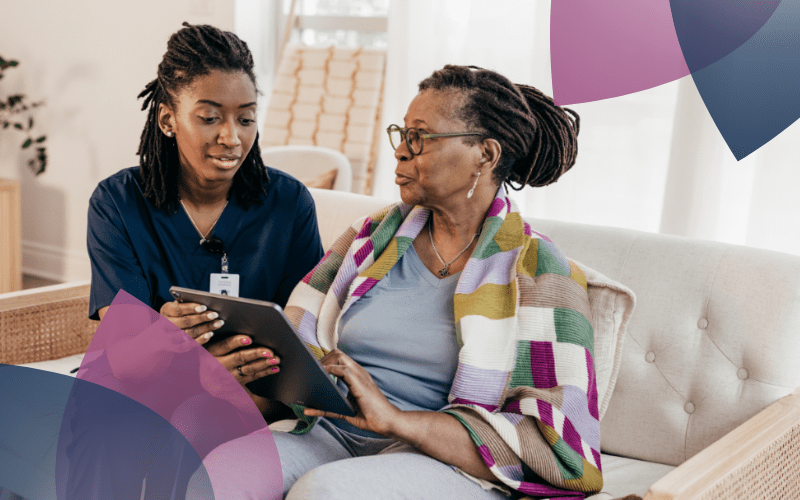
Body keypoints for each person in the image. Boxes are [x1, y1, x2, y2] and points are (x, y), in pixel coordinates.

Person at [196, 65, 603, 500]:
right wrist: (254, 372)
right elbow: (301, 343)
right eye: (402, 134)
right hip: (333, 430)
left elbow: (555, 443)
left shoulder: (540, 269)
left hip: (446, 460)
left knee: (325, 493)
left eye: (420, 137)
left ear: (485, 155)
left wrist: (394, 418)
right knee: (219, 471)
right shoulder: (368, 238)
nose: (401, 152)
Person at [75, 22, 323, 499]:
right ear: (168, 119)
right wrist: (174, 344)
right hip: (141, 376)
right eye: (209, 117)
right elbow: (125, 352)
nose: (232, 137)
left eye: (246, 118)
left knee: (190, 428)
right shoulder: (117, 202)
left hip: (256, 385)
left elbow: (305, 333)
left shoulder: (289, 203)